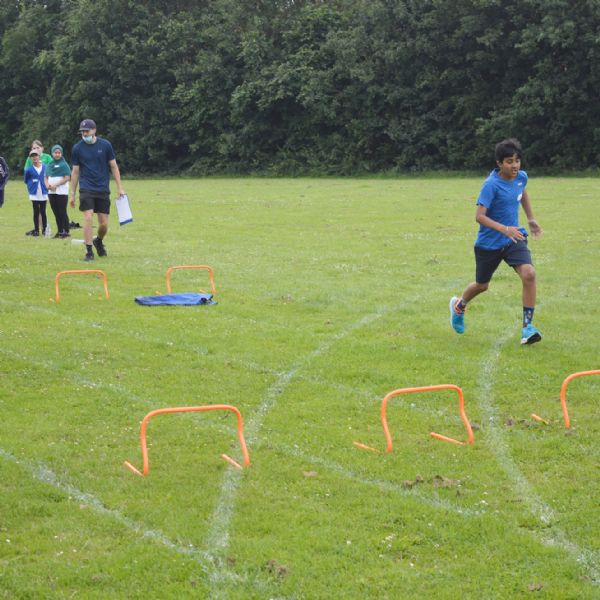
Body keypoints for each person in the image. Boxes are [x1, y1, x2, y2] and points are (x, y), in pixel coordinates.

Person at [449, 138, 543, 345]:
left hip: (514, 239)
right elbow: (479, 216)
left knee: (529, 273)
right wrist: (504, 229)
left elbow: (522, 192)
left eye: (517, 160)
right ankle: (459, 305)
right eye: (509, 161)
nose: (514, 165)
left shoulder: (521, 177)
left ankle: (527, 328)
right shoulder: (490, 185)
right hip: (489, 243)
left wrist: (530, 218)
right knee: (482, 285)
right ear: (499, 163)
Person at [69, 119, 125, 261]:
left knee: (104, 224)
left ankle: (98, 241)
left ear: (94, 130)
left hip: (102, 189)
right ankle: (89, 251)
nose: (84, 134)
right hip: (86, 188)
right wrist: (72, 194)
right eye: (82, 131)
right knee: (88, 217)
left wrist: (120, 187)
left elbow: (114, 166)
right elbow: (75, 172)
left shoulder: (105, 145)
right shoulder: (77, 148)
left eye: (87, 131)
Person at [45, 144, 71, 238]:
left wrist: (56, 185)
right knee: (55, 212)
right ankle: (59, 231)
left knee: (62, 211)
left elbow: (67, 177)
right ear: (52, 153)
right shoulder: (50, 164)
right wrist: (47, 185)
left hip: (61, 192)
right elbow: (46, 177)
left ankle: (65, 231)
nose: (57, 154)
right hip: (51, 192)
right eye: (55, 152)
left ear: (61, 153)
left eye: (59, 152)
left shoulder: (64, 165)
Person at [23, 149, 49, 237]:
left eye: (36, 155)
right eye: (32, 156)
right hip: (34, 193)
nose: (34, 158)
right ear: (30, 158)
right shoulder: (29, 170)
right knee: (36, 211)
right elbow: (26, 180)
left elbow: (48, 177)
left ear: (39, 156)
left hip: (43, 192)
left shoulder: (45, 167)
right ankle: (36, 230)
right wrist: (31, 186)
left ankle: (45, 230)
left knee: (43, 211)